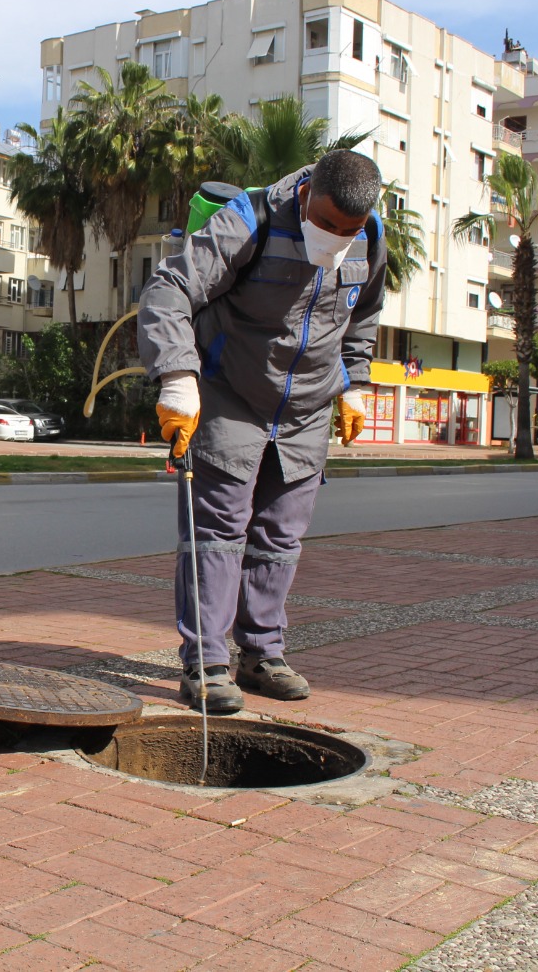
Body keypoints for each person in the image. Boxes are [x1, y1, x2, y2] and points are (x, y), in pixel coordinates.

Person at [137, 151, 387, 713]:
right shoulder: (250, 219)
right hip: (232, 397)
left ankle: (261, 654)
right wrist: (178, 377)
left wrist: (355, 384)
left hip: (306, 412)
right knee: (218, 532)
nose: (337, 238)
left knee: (280, 536)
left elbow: (363, 315)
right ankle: (207, 664)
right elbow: (169, 288)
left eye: (348, 230)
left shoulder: (370, 236)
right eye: (326, 224)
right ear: (304, 197)